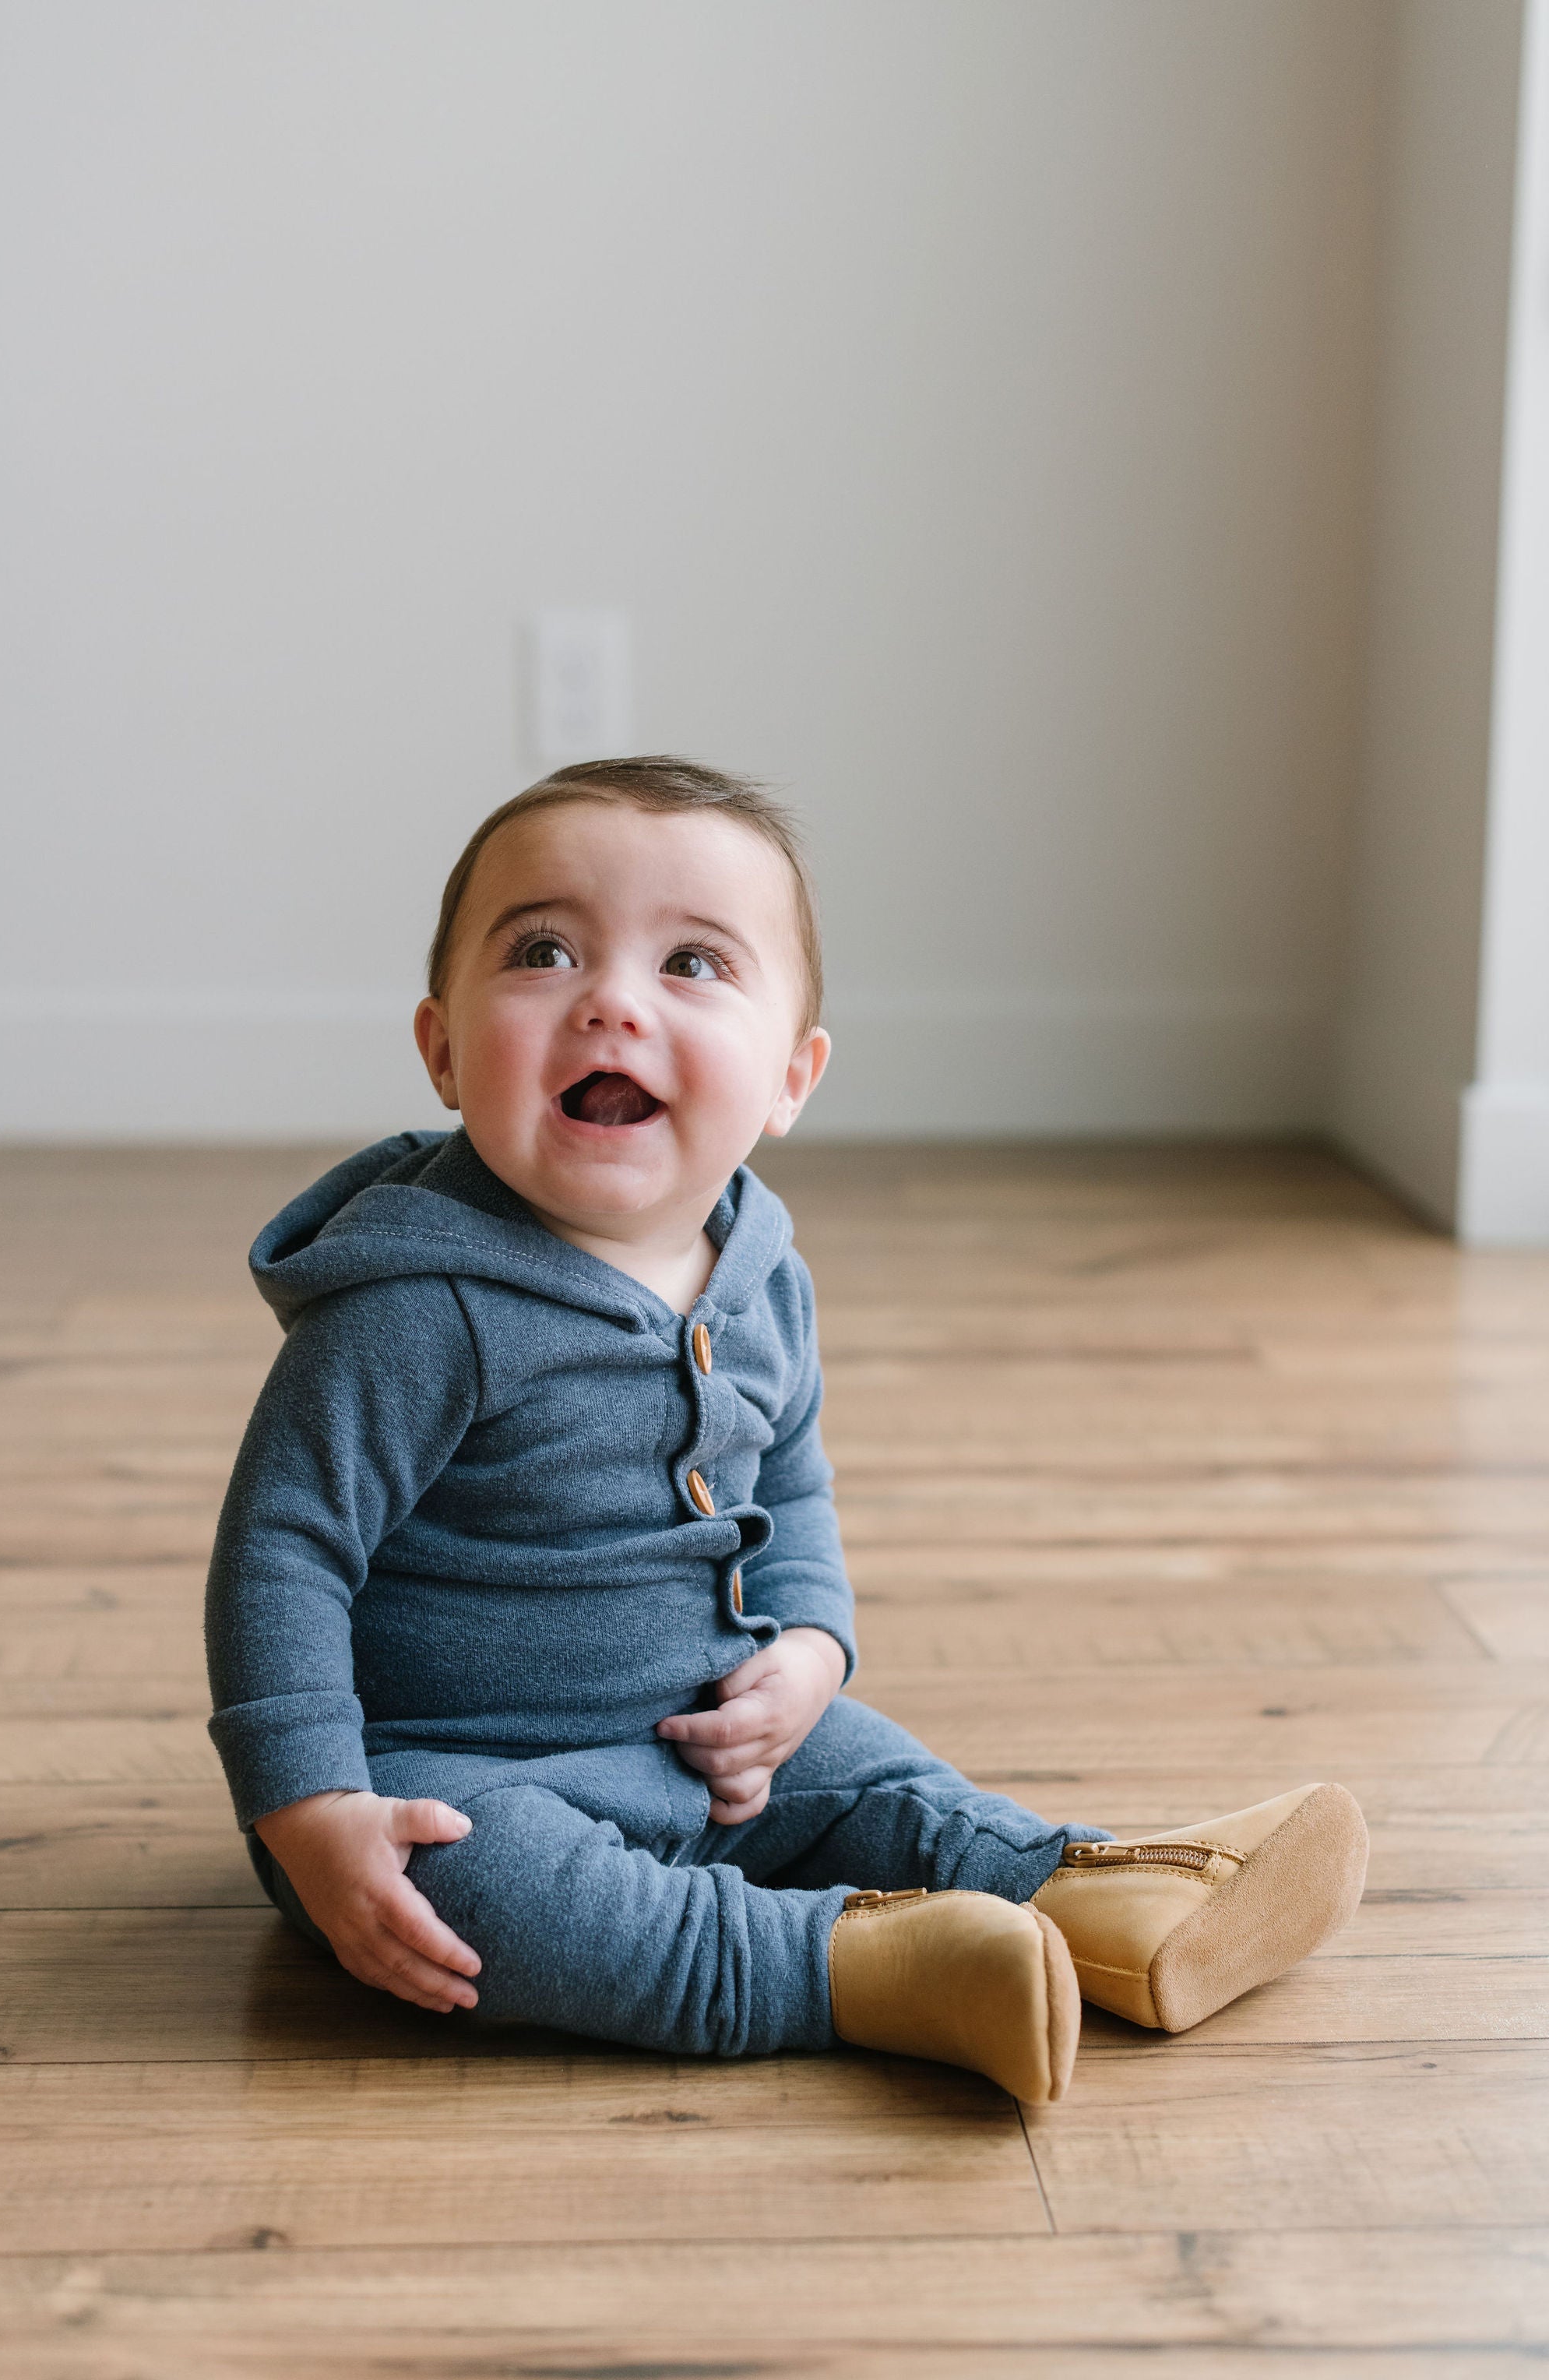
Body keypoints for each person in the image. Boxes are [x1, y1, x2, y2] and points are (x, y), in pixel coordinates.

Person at [206, 757, 1368, 2104]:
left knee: (874, 1770)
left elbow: (793, 1483)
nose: (612, 1000)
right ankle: (853, 1970)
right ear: (445, 1050)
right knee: (483, 1907)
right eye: (542, 950)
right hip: (448, 1776)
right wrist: (310, 1808)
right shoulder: (417, 1308)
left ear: (791, 1079)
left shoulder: (759, 1272)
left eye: (692, 963)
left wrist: (810, 1649)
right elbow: (280, 1555)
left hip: (708, 1743)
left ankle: (1097, 1901)